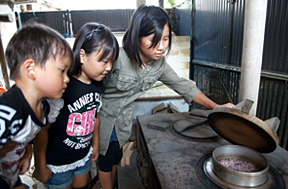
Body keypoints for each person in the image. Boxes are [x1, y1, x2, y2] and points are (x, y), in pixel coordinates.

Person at [98, 4, 235, 189]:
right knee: (105, 161)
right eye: (154, 39)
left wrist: (216, 107)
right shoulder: (118, 58)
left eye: (165, 39)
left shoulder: (159, 65)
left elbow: (183, 86)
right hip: (101, 119)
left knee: (115, 157)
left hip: (122, 121)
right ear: (137, 36)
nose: (161, 46)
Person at [33, 22, 119, 189]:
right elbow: (42, 129)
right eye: (104, 61)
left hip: (82, 158)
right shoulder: (63, 87)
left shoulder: (98, 84)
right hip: (58, 163)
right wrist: (40, 166)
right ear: (82, 55)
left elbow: (95, 115)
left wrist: (95, 143)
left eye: (111, 62)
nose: (108, 68)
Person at [0, 22, 73, 189]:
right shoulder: (8, 112)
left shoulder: (43, 107)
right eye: (62, 70)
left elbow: (23, 134)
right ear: (31, 69)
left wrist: (26, 151)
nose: (67, 78)